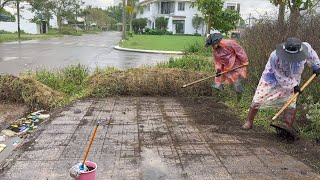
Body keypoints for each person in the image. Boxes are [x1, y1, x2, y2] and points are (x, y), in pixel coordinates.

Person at [242, 37, 320, 130]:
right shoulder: (275, 56)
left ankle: (287, 126)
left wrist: (316, 66)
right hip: (272, 78)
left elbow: (312, 57)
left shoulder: (306, 48)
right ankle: (249, 121)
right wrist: (294, 86)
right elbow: (280, 76)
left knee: (290, 102)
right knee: (259, 98)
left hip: (294, 77)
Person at [205, 32, 249, 102]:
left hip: (235, 65)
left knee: (237, 82)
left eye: (213, 45)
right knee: (218, 81)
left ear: (218, 42)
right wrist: (218, 69)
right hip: (224, 66)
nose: (213, 47)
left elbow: (240, 51)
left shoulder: (230, 43)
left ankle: (238, 100)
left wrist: (244, 61)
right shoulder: (215, 50)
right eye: (212, 45)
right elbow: (217, 61)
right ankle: (219, 98)